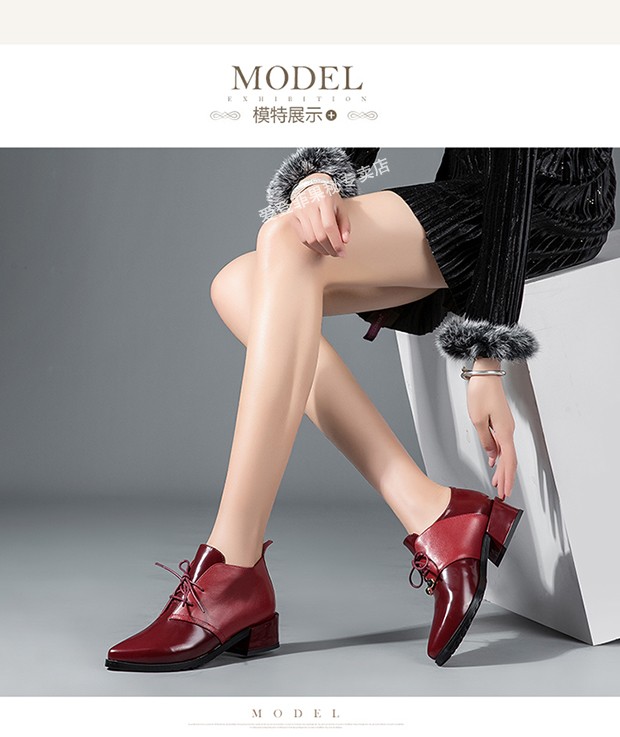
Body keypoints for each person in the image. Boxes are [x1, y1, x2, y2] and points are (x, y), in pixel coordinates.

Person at [105, 147, 616, 672]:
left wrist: (486, 357)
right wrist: (318, 178)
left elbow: (516, 167)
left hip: (552, 201)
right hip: (469, 193)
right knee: (236, 284)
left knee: (285, 243)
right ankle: (432, 511)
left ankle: (233, 565)